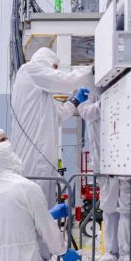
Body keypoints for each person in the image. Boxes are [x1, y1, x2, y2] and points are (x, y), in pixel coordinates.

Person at [9, 47, 92, 195]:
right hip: (33, 159)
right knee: (34, 200)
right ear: (46, 62)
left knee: (44, 201)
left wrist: (75, 101)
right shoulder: (29, 70)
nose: (55, 72)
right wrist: (92, 70)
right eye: (54, 68)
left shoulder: (42, 95)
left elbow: (57, 116)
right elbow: (66, 81)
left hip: (43, 158)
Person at [79, 100, 131, 261]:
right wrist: (107, 101)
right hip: (105, 165)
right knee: (109, 209)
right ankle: (111, 252)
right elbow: (87, 112)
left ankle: (128, 253)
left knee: (129, 210)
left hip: (128, 162)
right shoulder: (91, 95)